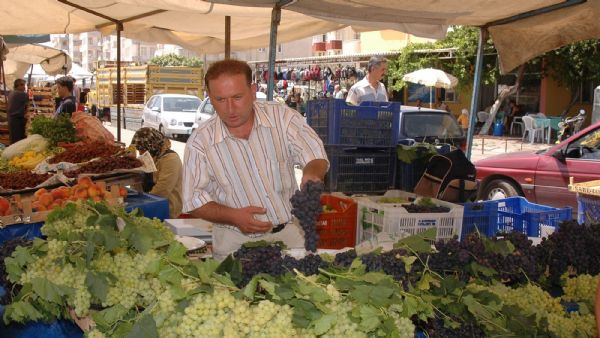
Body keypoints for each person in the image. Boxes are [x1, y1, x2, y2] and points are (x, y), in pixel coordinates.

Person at [182, 60, 329, 260]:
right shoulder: (200, 142)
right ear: (210, 98)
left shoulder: (282, 118)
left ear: (252, 91)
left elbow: (315, 154)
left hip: (288, 236)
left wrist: (312, 173)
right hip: (234, 243)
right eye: (220, 99)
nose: (230, 108)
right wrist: (233, 216)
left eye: (237, 97)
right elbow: (193, 200)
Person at [132, 127, 182, 218]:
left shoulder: (171, 160)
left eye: (142, 149)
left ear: (152, 146)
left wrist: (142, 204)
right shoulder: (151, 156)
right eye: (138, 149)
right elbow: (137, 184)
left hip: (167, 209)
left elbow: (162, 190)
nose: (140, 153)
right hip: (149, 203)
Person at [7, 79, 28, 144]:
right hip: (17, 121)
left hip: (11, 119)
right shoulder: (21, 94)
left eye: (24, 85)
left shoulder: (11, 93)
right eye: (22, 85)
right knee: (18, 142)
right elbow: (30, 99)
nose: (24, 87)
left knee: (13, 140)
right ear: (17, 86)